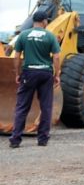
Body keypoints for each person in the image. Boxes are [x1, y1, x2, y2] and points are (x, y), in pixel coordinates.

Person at [9, 10, 61, 148]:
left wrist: (17, 73)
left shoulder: (23, 35)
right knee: (46, 107)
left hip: (29, 73)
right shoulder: (50, 36)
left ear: (33, 21)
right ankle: (42, 139)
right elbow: (56, 57)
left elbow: (16, 56)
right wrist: (57, 74)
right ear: (44, 21)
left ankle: (15, 139)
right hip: (45, 73)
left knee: (22, 106)